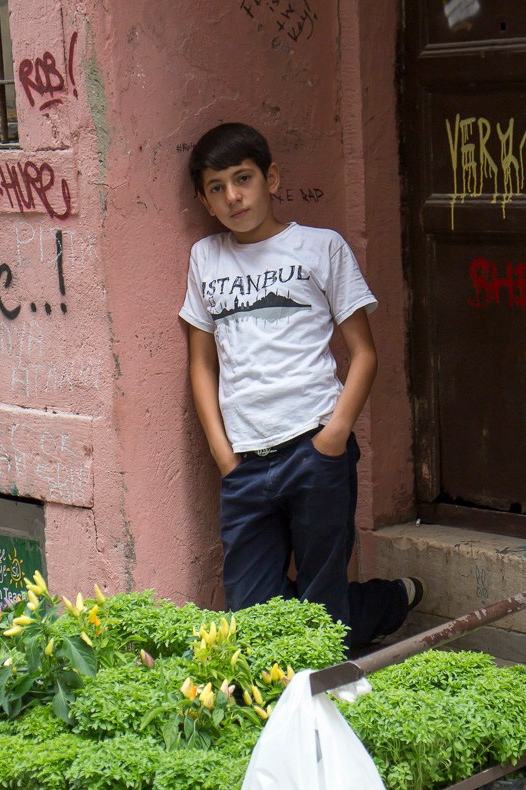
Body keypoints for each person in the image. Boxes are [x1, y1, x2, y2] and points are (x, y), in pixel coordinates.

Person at [179, 122, 422, 651]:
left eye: (243, 178)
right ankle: (386, 602)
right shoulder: (206, 258)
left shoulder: (320, 247)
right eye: (217, 187)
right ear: (204, 199)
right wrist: (224, 456)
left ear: (273, 178)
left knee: (320, 599)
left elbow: (364, 353)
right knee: (249, 616)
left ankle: (326, 696)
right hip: (244, 464)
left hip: (313, 449)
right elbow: (201, 364)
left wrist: (332, 437)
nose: (233, 196)